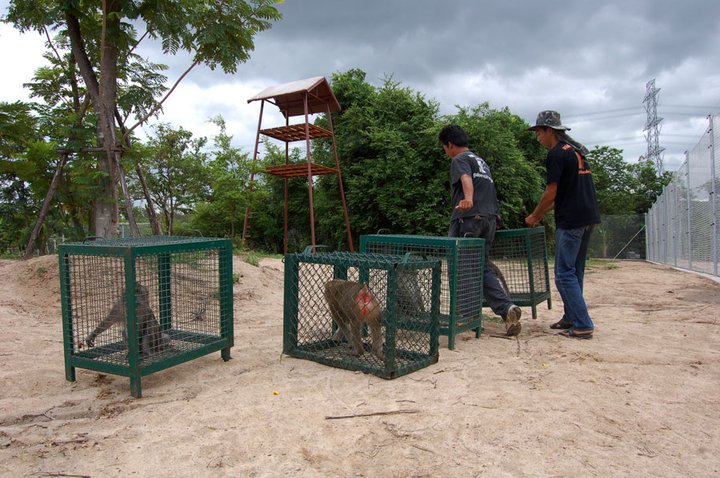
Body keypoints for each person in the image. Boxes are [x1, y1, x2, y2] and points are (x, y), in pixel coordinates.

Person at [439, 124, 522, 336]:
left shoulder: (460, 159)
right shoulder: (480, 161)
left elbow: (465, 178)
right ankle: (506, 308)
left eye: (444, 147)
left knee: (461, 268)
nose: (445, 152)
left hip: (468, 219)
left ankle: (466, 317)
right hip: (489, 219)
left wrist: (468, 198)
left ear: (450, 144)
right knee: (481, 267)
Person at [525, 111, 600, 339]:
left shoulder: (556, 154)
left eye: (539, 132)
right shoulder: (575, 151)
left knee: (563, 274)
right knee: (574, 272)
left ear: (549, 130)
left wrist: (534, 215)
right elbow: (563, 195)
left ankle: (583, 324)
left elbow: (551, 193)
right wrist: (540, 214)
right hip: (588, 217)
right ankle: (571, 317)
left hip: (571, 220)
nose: (537, 137)